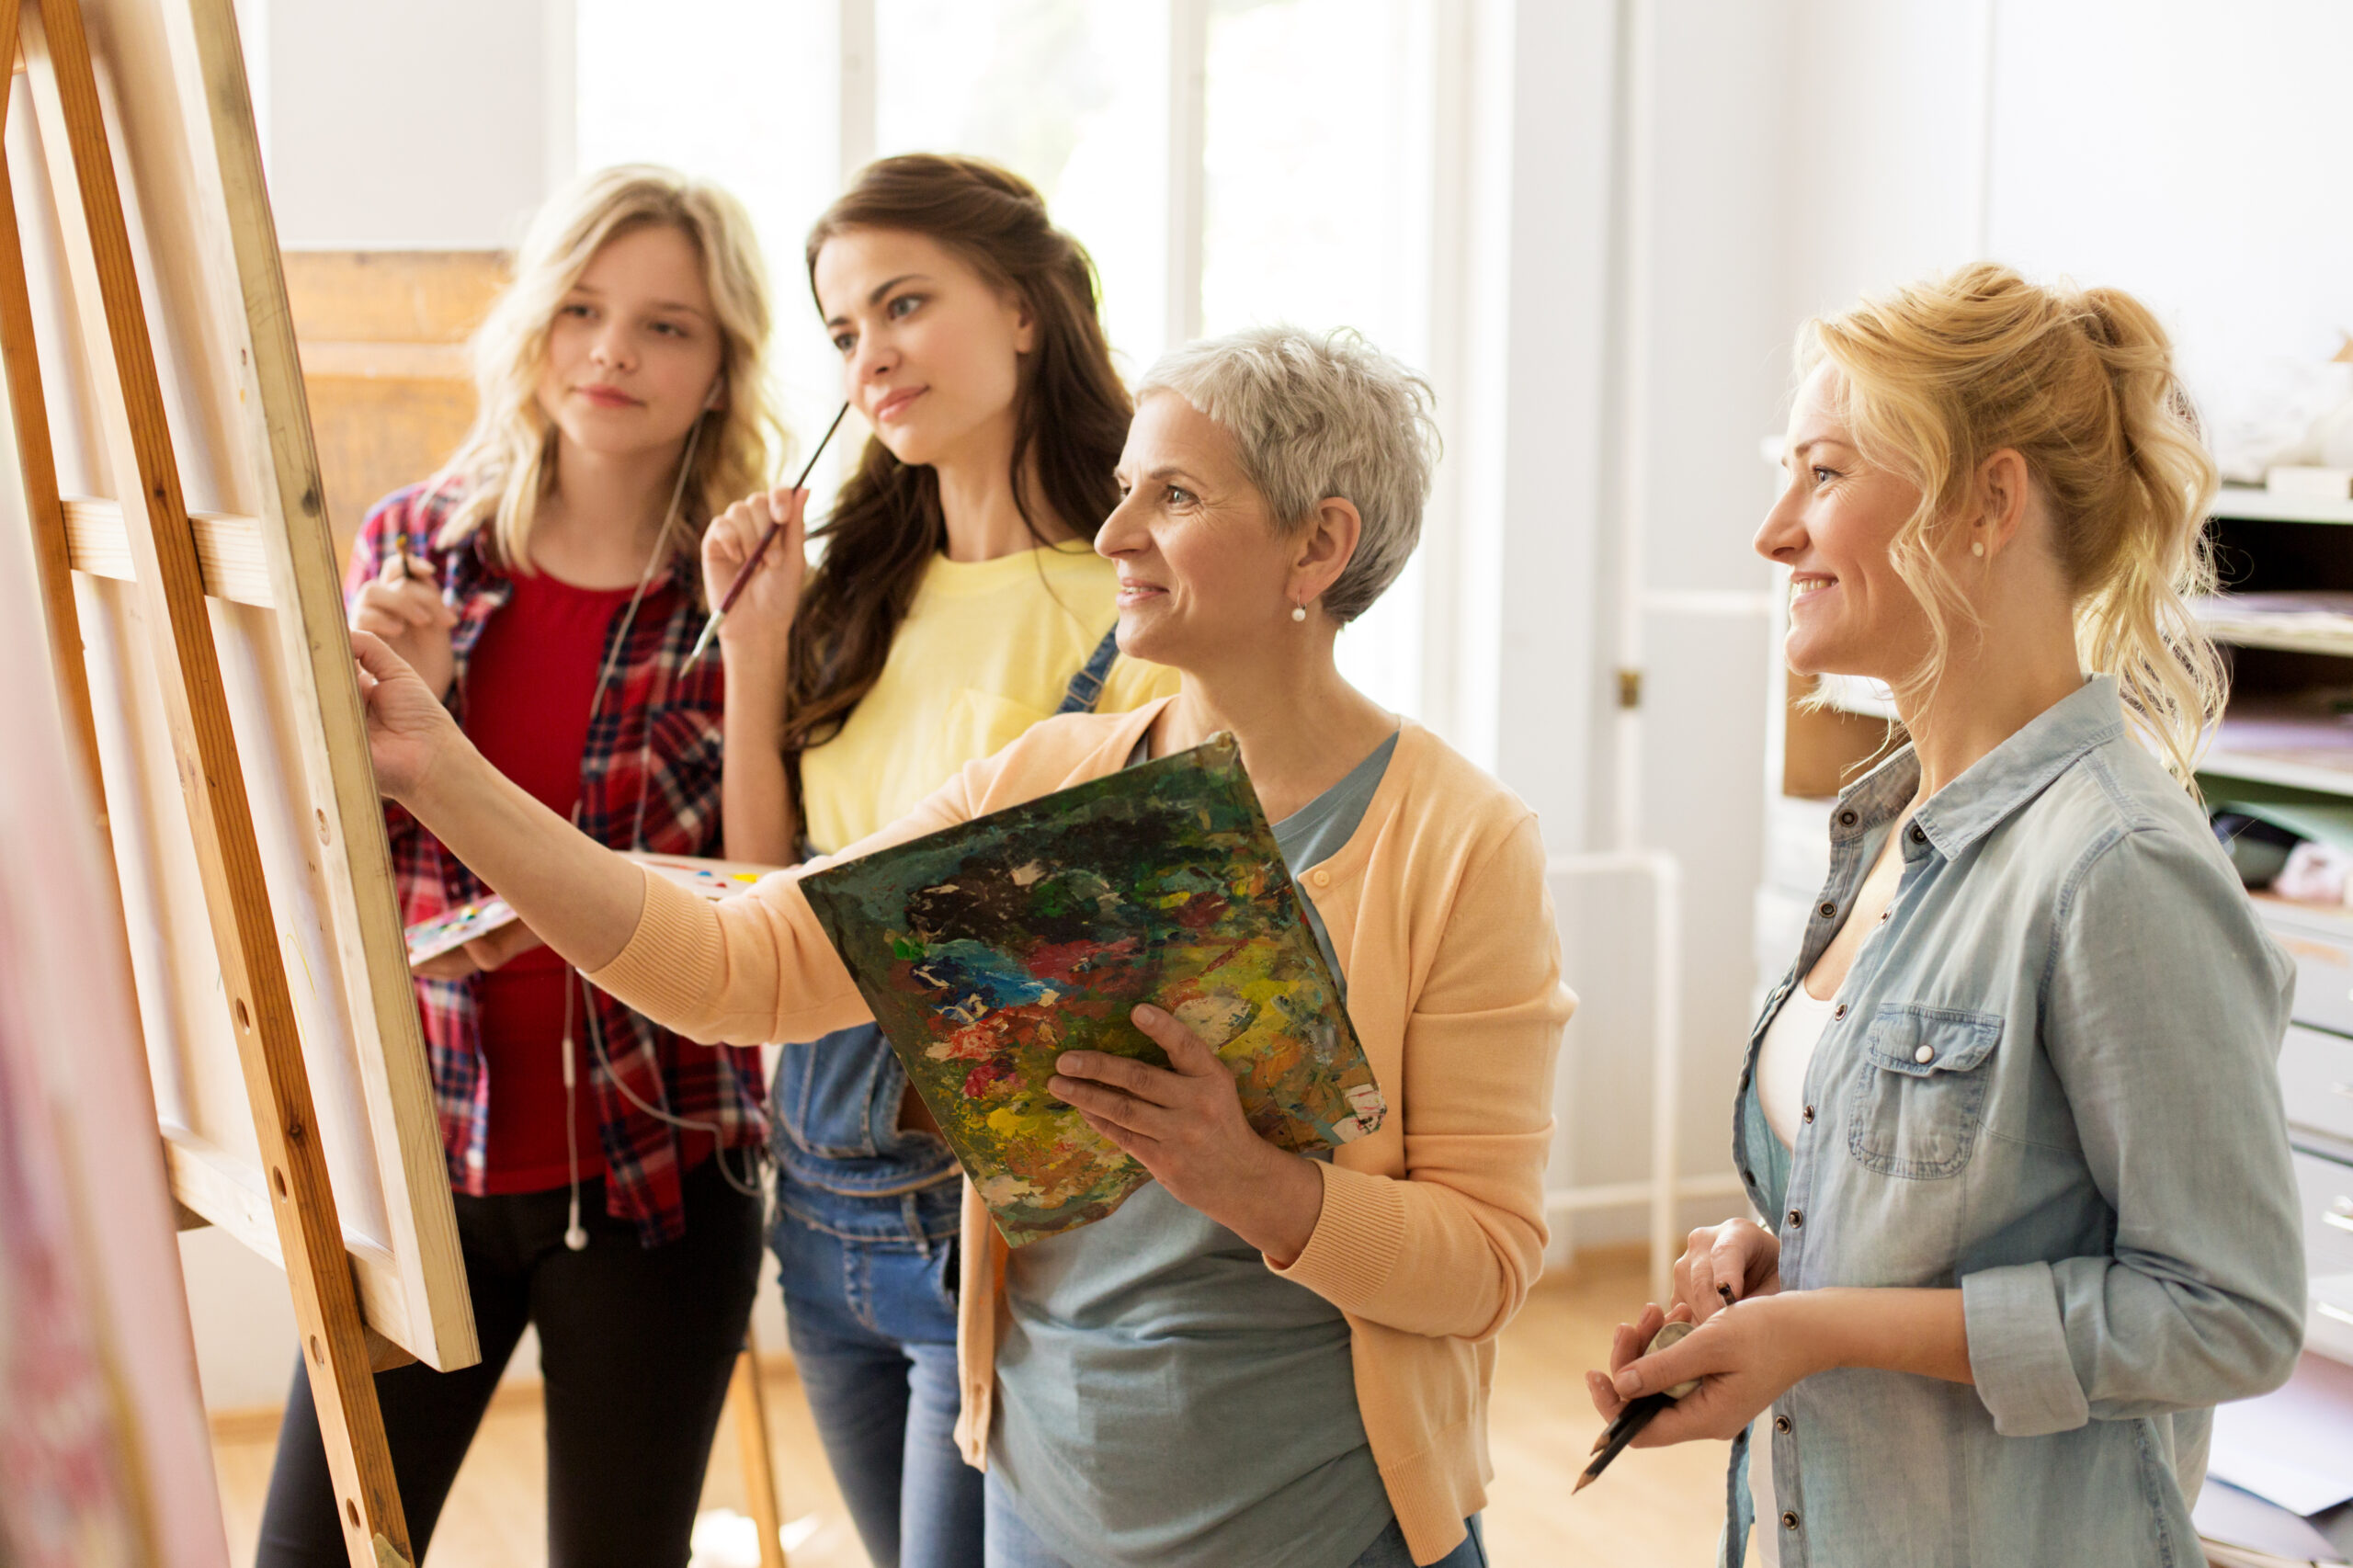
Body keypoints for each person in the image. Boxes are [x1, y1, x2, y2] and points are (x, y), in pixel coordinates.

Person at [351, 324, 1569, 1568]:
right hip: (1047, 1511)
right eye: (1124, 491)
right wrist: (439, 771)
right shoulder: (1048, 781)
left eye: (1178, 494)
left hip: (1332, 1530)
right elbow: (733, 968)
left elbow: (1484, 1263)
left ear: (1319, 543)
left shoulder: (1462, 843)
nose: (1114, 537)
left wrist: (1251, 1180)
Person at [1585, 264, 2304, 1567]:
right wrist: (1780, 1255)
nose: (1771, 532)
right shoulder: (1884, 830)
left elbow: (2228, 1314)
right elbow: (1956, 1202)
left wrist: (1830, 1327)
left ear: (1988, 501)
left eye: (1822, 473)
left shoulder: (2119, 865)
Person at [256, 165, 781, 1568]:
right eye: (585, 309)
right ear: (536, 327)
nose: (612, 351)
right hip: (422, 1158)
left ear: (724, 366)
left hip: (658, 1169)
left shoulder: (746, 590)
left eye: (667, 326)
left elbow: (765, 895)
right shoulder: (408, 549)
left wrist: (757, 650)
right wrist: (397, 719)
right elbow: (326, 879)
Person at [703, 153, 1176, 1568]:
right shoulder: (864, 586)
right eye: (845, 332)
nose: (872, 357)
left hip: (982, 1206)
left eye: (905, 304)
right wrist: (755, 648)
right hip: (818, 1192)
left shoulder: (1135, 600)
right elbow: (763, 891)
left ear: (1027, 308)